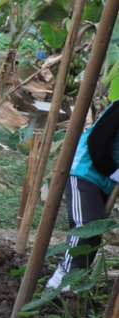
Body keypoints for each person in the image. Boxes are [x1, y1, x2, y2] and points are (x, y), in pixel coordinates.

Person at [47, 100, 119, 290]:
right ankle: (61, 280)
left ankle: (76, 283)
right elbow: (98, 142)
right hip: (86, 172)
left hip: (107, 181)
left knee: (94, 233)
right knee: (85, 225)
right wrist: (113, 171)